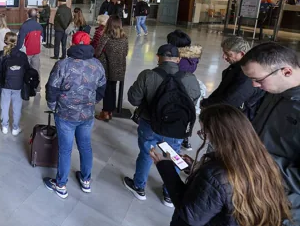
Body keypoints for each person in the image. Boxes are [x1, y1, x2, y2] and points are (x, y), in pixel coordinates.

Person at [151, 104, 291, 226]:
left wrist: (166, 168)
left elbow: (191, 216)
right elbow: (223, 191)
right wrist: (193, 167)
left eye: (204, 132)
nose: (203, 136)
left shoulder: (215, 174)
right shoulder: (261, 161)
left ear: (219, 136)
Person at [123, 44, 201, 207]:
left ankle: (139, 187)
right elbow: (193, 100)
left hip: (150, 124)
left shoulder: (148, 75)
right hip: (176, 128)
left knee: (146, 153)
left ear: (158, 57)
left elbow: (133, 99)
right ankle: (170, 193)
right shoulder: (188, 78)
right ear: (178, 59)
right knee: (174, 156)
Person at [240, 42, 300, 222]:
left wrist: (259, 161)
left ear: (286, 72)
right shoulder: (276, 90)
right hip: (255, 190)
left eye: (258, 79)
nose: (255, 85)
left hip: (284, 207)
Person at [43, 31, 107, 199]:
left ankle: (61, 185)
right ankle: (86, 181)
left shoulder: (63, 64)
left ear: (72, 43)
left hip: (65, 114)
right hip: (87, 115)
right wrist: (91, 102)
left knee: (65, 149)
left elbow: (52, 88)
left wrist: (53, 106)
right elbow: (102, 88)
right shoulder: (97, 65)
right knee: (85, 146)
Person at [201, 37, 264, 120]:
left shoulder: (248, 74)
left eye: (228, 54)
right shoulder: (235, 67)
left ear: (241, 54)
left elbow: (230, 101)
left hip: (237, 120)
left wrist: (204, 103)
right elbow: (221, 91)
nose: (224, 57)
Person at [167, 29, 203, 151]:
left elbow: (170, 71)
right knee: (187, 112)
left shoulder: (179, 59)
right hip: (190, 84)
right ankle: (186, 138)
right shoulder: (192, 55)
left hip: (178, 85)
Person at [0, 32, 30, 135]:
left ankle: (5, 127)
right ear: (17, 42)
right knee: (17, 107)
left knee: (4, 106)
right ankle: (15, 128)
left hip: (5, 85)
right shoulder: (22, 55)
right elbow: (27, 71)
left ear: (5, 41)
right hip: (18, 85)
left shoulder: (1, 54)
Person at [94, 16, 128, 122]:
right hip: (119, 68)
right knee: (113, 89)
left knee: (107, 90)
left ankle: (105, 112)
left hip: (107, 67)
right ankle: (110, 111)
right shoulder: (124, 37)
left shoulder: (106, 36)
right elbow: (126, 52)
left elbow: (98, 51)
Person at [16, 9, 43, 90]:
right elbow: (41, 38)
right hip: (37, 51)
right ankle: (37, 87)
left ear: (28, 15)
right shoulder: (39, 26)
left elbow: (20, 41)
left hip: (27, 51)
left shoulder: (24, 26)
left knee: (24, 69)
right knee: (36, 69)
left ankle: (25, 86)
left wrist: (17, 50)